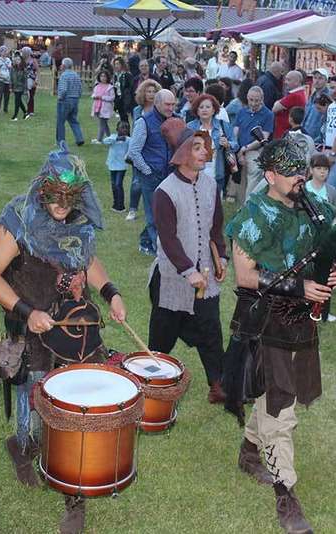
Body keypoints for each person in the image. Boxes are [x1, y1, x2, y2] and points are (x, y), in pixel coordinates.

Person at [0, 146, 127, 534]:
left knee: (77, 411)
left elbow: (87, 258)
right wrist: (27, 312)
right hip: (33, 330)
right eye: (56, 198)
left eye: (70, 199)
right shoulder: (18, 217)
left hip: (76, 327)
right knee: (35, 413)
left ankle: (74, 495)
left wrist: (110, 292)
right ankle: (21, 446)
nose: (62, 207)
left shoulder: (78, 217)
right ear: (43, 189)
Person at [226, 137, 336, 534]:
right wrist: (299, 287)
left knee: (278, 394)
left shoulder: (314, 205)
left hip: (302, 322)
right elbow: (244, 276)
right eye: (291, 172)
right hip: (264, 321)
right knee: (281, 408)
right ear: (270, 175)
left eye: (302, 170)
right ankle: (286, 495)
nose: (300, 177)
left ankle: (249, 450)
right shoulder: (253, 214)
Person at [149, 118, 228, 403]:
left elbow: (216, 226)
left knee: (211, 331)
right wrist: (187, 270)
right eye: (197, 148)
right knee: (162, 339)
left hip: (205, 276)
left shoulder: (210, 185)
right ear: (183, 154)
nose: (204, 152)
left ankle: (219, 385)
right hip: (171, 279)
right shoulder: (164, 192)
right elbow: (168, 239)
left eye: (204, 147)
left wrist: (222, 256)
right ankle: (151, 385)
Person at [127, 88, 176, 256]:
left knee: (167, 213)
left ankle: (145, 241)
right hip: (151, 176)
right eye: (167, 104)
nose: (171, 108)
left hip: (170, 174)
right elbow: (133, 151)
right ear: (157, 103)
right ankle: (159, 252)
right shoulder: (144, 122)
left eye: (173, 104)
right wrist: (147, 171)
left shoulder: (176, 120)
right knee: (154, 214)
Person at [187, 94, 238, 193]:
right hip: (196, 172)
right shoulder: (190, 127)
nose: (204, 110)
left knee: (216, 200)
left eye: (208, 107)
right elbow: (184, 149)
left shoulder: (223, 125)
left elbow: (235, 144)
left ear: (214, 110)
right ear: (197, 110)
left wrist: (227, 144)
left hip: (217, 171)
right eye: (201, 107)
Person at [233, 86, 273, 202]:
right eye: (251, 100)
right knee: (241, 180)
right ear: (247, 98)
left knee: (254, 177)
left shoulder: (268, 114)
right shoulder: (242, 112)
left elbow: (263, 138)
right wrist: (238, 150)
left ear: (262, 99)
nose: (253, 103)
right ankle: (241, 204)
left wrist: (244, 149)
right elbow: (235, 132)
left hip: (255, 150)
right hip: (239, 149)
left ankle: (248, 204)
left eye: (257, 100)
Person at [55, 58, 84, 146]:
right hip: (75, 100)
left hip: (65, 100)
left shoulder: (64, 75)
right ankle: (79, 138)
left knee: (60, 122)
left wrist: (60, 97)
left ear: (64, 66)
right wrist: (77, 96)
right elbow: (80, 88)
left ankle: (60, 141)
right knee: (73, 120)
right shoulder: (76, 75)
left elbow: (63, 89)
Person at [103, 121, 131, 213]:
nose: (124, 130)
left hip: (122, 166)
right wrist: (116, 139)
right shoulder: (113, 137)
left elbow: (131, 150)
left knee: (118, 184)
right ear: (117, 129)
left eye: (126, 128)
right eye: (122, 127)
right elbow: (105, 141)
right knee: (113, 185)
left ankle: (121, 206)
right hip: (112, 165)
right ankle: (115, 204)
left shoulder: (128, 140)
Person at [272, 70, 306, 140]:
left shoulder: (294, 95)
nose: (285, 82)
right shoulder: (299, 93)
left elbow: (274, 109)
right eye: (285, 79)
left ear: (297, 82)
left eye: (288, 80)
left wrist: (278, 102)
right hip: (287, 133)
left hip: (284, 134)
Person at [301, 68, 329, 146]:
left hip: (317, 141)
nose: (317, 81)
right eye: (315, 78)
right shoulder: (312, 96)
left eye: (320, 78)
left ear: (326, 81)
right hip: (306, 137)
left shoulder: (328, 97)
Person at [90, 71, 115, 144]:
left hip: (105, 108)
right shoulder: (97, 86)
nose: (103, 78)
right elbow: (93, 94)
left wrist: (102, 97)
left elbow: (112, 98)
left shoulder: (110, 87)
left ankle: (99, 139)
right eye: (101, 76)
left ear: (107, 78)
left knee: (102, 123)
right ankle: (109, 137)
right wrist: (95, 96)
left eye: (104, 76)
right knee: (104, 124)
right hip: (98, 107)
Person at [112, 56, 134, 123]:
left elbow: (131, 87)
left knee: (125, 118)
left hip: (125, 99)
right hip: (118, 99)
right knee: (121, 118)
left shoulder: (127, 75)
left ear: (122, 64)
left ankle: (126, 129)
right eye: (115, 64)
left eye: (118, 64)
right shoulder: (115, 76)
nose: (116, 66)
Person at [21, 46, 38, 119]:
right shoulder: (22, 61)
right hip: (24, 79)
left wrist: (36, 80)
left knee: (31, 95)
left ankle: (31, 110)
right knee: (26, 95)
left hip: (32, 79)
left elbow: (37, 70)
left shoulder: (33, 61)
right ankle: (27, 109)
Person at [0, 45, 12, 114]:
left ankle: (5, 109)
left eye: (6, 51)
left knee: (7, 95)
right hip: (0, 80)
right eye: (3, 51)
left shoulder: (8, 60)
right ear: (0, 52)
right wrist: (2, 77)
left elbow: (11, 68)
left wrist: (9, 67)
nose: (5, 52)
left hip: (7, 80)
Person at [10, 53, 28, 121]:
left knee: (17, 101)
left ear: (21, 60)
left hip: (20, 87)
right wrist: (10, 87)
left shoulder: (23, 69)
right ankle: (25, 112)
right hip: (15, 86)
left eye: (19, 60)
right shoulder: (13, 68)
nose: (17, 61)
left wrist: (25, 89)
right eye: (16, 60)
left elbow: (25, 80)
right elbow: (11, 78)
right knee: (19, 101)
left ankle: (15, 116)